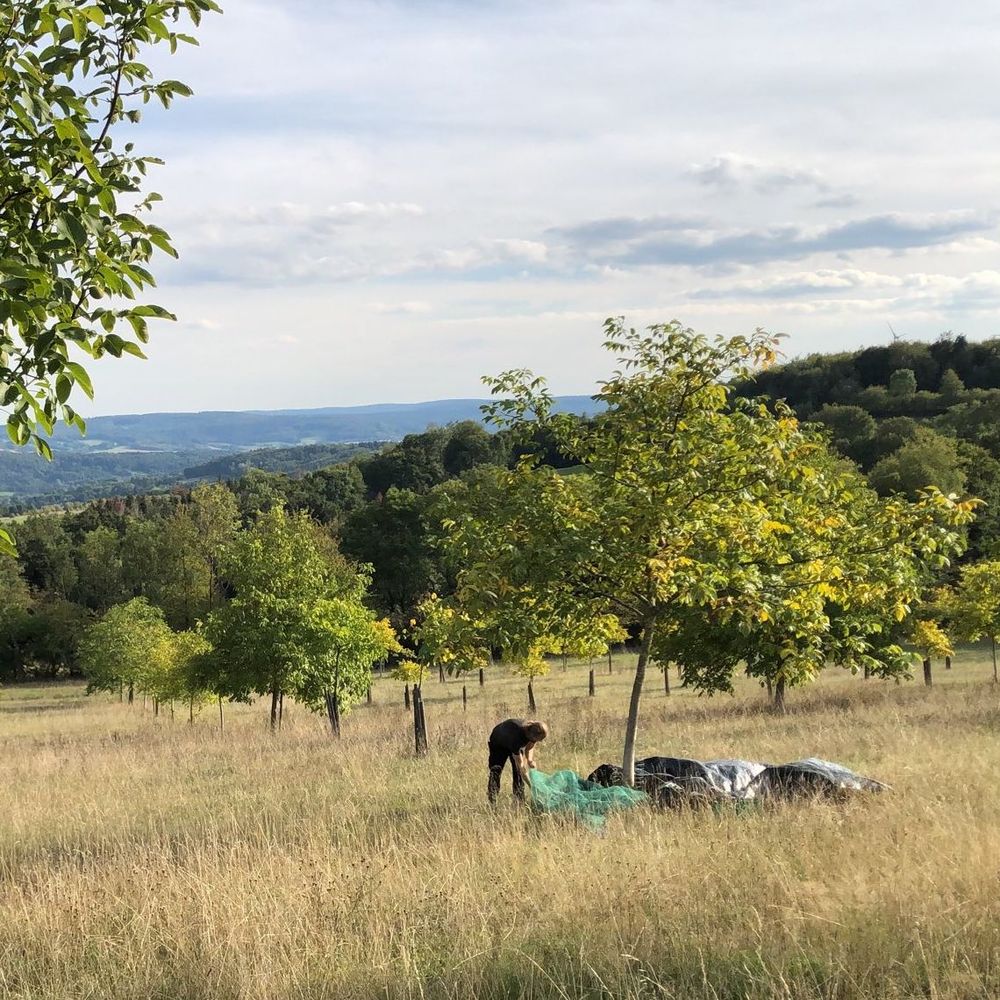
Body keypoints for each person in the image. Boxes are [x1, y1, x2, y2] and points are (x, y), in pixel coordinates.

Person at [487, 718, 548, 803]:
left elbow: (530, 746)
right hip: (498, 743)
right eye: (539, 739)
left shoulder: (532, 730)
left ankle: (519, 801)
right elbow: (521, 767)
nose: (540, 741)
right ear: (531, 735)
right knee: (496, 770)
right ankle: (492, 801)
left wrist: (530, 760)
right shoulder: (517, 738)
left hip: (511, 739)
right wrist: (532, 787)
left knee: (517, 774)